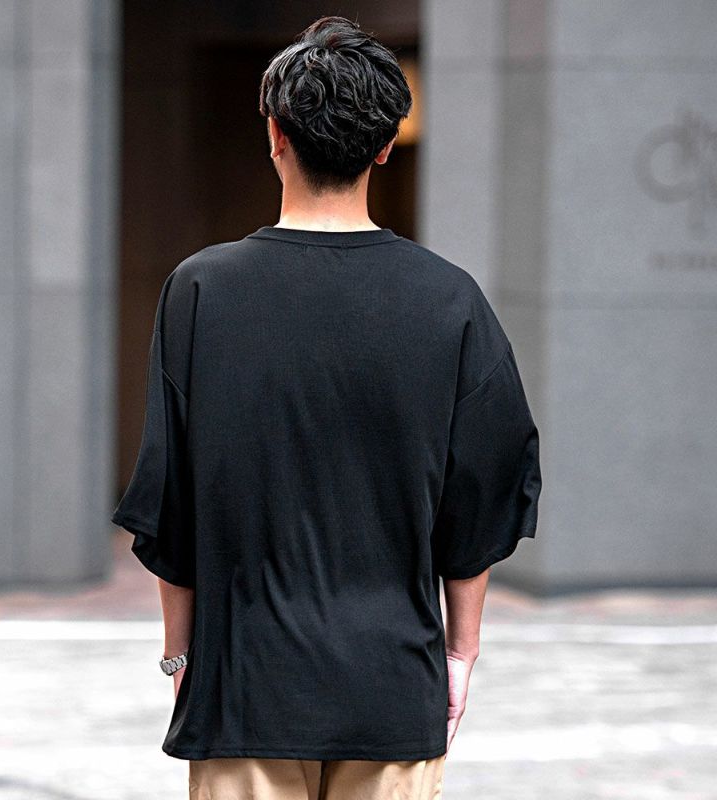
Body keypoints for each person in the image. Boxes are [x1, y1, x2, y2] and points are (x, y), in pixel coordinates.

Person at [111, 14, 541, 800]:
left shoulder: (202, 291)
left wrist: (181, 658)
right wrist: (459, 654)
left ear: (275, 133)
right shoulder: (449, 299)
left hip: (245, 688)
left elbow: (170, 503)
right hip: (394, 684)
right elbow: (483, 495)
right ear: (385, 145)